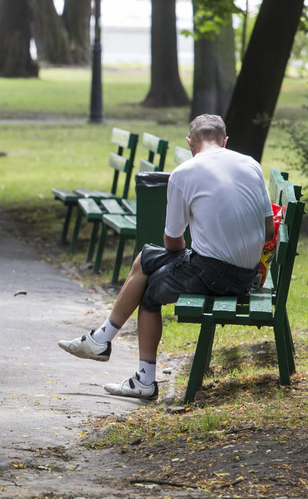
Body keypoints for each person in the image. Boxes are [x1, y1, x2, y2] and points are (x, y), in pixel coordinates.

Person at [58, 114, 275, 399]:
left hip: (216, 275)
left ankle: (141, 377)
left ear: (190, 143)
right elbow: (269, 227)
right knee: (146, 257)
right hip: (247, 273)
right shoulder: (251, 164)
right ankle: (101, 340)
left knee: (149, 290)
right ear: (224, 141)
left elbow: (173, 241)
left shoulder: (184, 173)